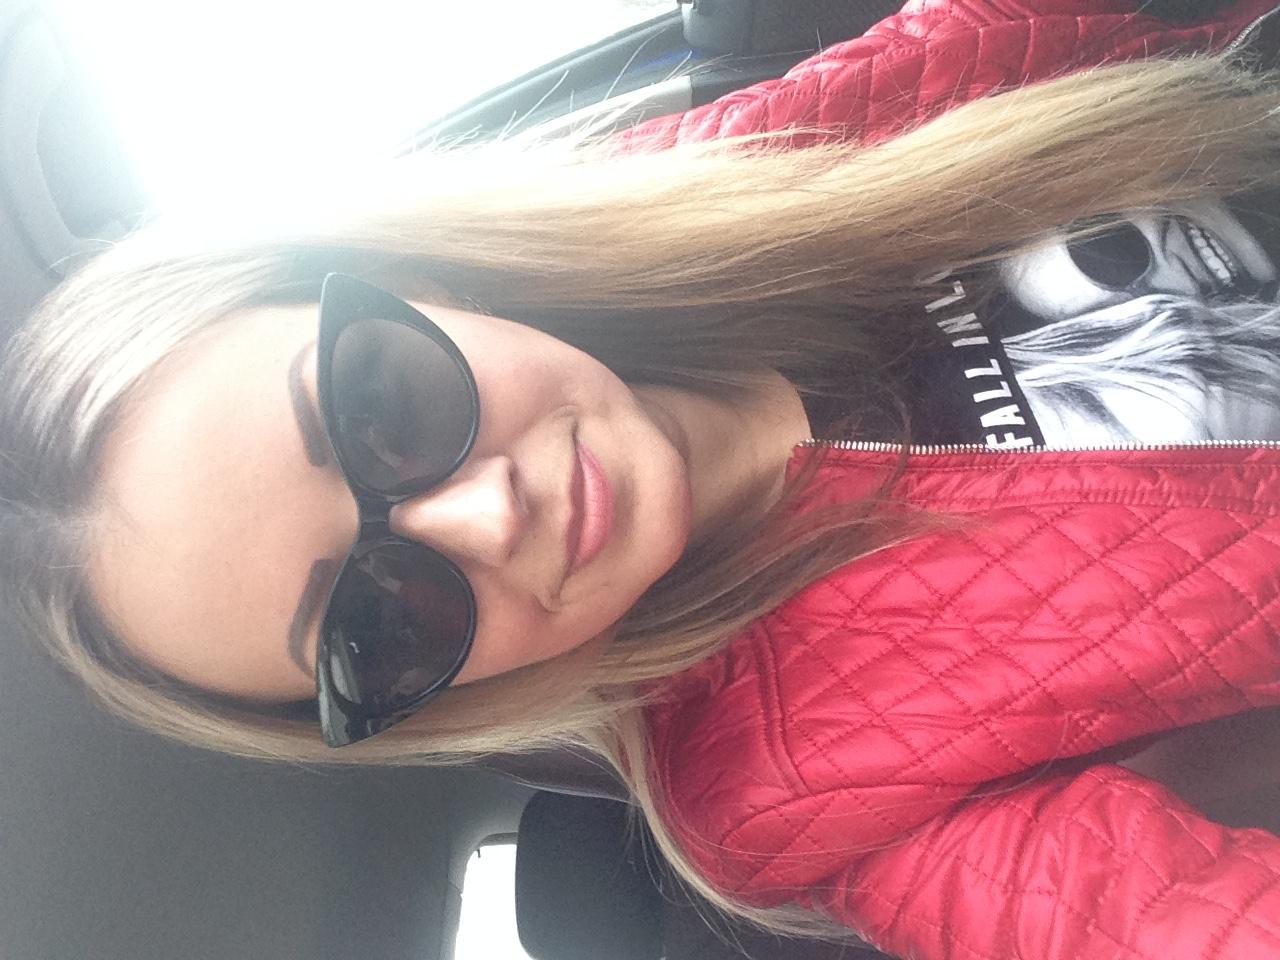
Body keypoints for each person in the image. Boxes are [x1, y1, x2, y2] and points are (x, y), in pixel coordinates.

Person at [4, 2, 1280, 957]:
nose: (487, 514)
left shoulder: (728, 164)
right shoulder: (787, 793)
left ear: (410, 281)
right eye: (376, 622)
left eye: (381, 407)